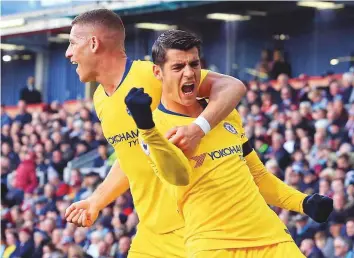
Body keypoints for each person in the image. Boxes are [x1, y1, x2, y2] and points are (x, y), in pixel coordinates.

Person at [125, 30, 333, 258]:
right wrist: (146, 127)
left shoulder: (223, 114)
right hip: (212, 246)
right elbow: (177, 177)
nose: (189, 73)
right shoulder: (155, 126)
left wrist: (303, 202)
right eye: (177, 67)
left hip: (269, 237)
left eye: (194, 64)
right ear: (158, 72)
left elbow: (258, 176)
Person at [64, 9, 247, 258]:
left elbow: (232, 86)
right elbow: (131, 158)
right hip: (152, 234)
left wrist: (197, 129)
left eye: (73, 43)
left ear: (93, 43)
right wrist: (96, 200)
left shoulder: (152, 75)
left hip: (196, 229)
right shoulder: (100, 99)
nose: (69, 52)